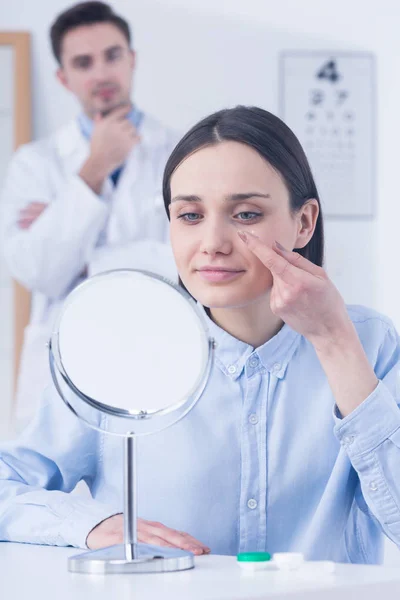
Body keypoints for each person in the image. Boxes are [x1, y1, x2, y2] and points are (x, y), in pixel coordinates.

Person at [1, 106, 400, 563]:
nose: (212, 241)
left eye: (246, 213)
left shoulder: (369, 343)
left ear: (304, 223)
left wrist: (334, 342)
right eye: (189, 215)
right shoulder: (117, 353)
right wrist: (88, 525)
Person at [0, 1, 177, 425]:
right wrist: (94, 169)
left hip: (156, 351)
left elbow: (191, 261)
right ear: (64, 78)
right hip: (61, 362)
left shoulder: (180, 152)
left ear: (131, 60)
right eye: (83, 62)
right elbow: (39, 270)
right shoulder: (34, 164)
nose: (101, 73)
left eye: (112, 56)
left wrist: (87, 258)